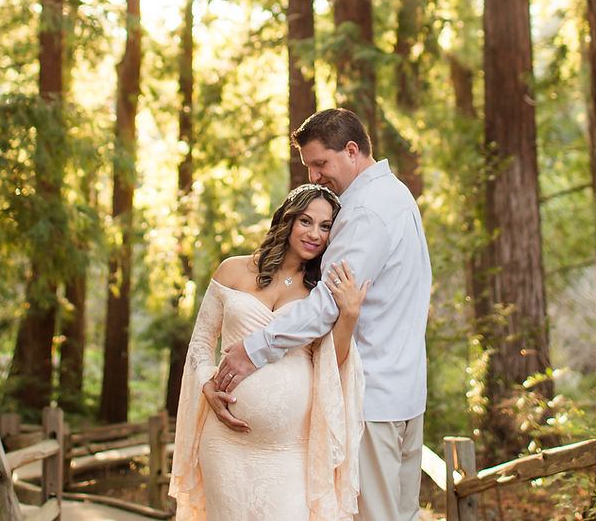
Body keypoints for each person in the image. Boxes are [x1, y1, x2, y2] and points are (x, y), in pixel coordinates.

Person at [215, 108, 432, 521]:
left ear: (352, 151)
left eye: (320, 164)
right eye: (309, 166)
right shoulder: (397, 195)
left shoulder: (366, 210)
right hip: (404, 393)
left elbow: (325, 305)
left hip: (373, 401)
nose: (314, 177)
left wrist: (254, 348)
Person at [169, 183, 370, 521]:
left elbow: (330, 366)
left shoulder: (320, 293)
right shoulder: (232, 270)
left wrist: (348, 315)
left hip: (290, 451)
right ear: (287, 220)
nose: (315, 234)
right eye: (306, 221)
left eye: (325, 227)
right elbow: (201, 344)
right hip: (224, 447)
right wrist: (207, 386)